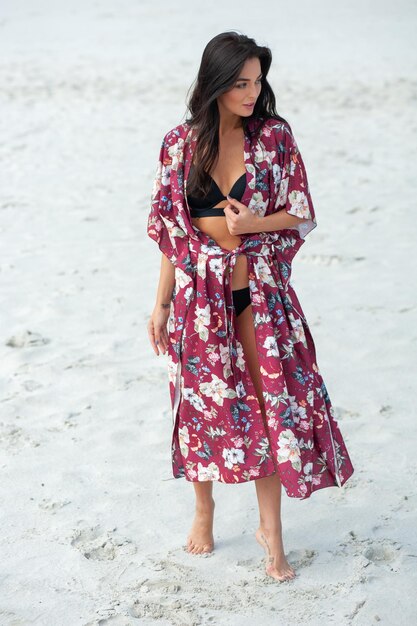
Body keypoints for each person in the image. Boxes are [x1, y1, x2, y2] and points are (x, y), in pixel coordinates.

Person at [146, 31, 354, 583]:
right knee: (198, 407)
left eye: (257, 81)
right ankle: (204, 509)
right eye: (240, 82)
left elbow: (302, 211)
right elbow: (172, 233)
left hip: (258, 296)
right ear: (215, 82)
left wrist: (252, 224)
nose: (251, 92)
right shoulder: (179, 144)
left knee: (268, 410)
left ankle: (273, 537)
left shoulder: (275, 137)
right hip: (198, 298)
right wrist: (161, 306)